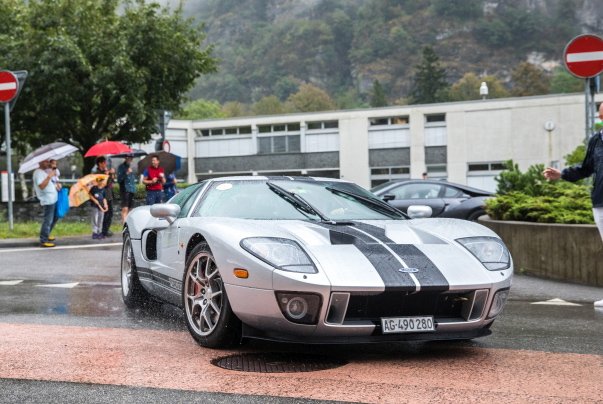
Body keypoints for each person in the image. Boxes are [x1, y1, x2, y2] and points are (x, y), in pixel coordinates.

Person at [543, 103, 603, 308]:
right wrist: (562, 174)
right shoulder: (597, 140)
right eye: (602, 114)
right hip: (600, 202)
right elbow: (586, 168)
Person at [33, 160, 59, 247]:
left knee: (54, 217)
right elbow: (42, 186)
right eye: (46, 161)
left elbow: (48, 185)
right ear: (40, 162)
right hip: (48, 200)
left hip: (52, 198)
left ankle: (46, 234)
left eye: (48, 161)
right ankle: (43, 240)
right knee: (47, 220)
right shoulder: (38, 173)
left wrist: (56, 186)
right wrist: (49, 176)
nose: (48, 163)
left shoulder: (42, 172)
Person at [92, 155, 116, 237]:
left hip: (108, 196)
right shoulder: (97, 174)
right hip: (101, 198)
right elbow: (103, 185)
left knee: (110, 214)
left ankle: (105, 230)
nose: (106, 164)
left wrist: (111, 175)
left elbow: (111, 183)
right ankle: (101, 231)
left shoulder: (106, 172)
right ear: (100, 163)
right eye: (104, 162)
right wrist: (107, 176)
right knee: (102, 215)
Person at [117, 155, 136, 225]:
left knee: (130, 208)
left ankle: (128, 224)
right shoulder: (121, 167)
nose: (129, 159)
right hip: (125, 189)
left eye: (130, 158)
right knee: (125, 208)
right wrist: (126, 173)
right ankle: (124, 224)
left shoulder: (131, 167)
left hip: (131, 190)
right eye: (127, 157)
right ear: (125, 158)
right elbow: (119, 179)